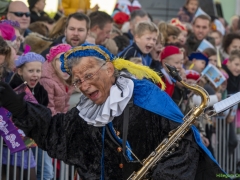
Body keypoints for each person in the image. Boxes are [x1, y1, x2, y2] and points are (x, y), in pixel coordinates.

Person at [0, 43, 229, 180]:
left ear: (109, 69)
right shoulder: (87, 112)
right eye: (78, 81)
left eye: (89, 76)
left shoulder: (146, 96)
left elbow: (183, 148)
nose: (84, 85)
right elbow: (55, 131)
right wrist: (16, 104)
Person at [1, 52, 47, 180]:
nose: (35, 74)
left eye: (38, 70)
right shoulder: (13, 89)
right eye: (31, 70)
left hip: (27, 143)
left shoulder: (40, 90)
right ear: (20, 71)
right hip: (11, 143)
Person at [40, 44, 73, 115]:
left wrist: (65, 119)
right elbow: (49, 109)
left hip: (60, 118)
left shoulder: (68, 78)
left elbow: (65, 104)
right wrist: (59, 124)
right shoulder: (47, 81)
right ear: (53, 62)